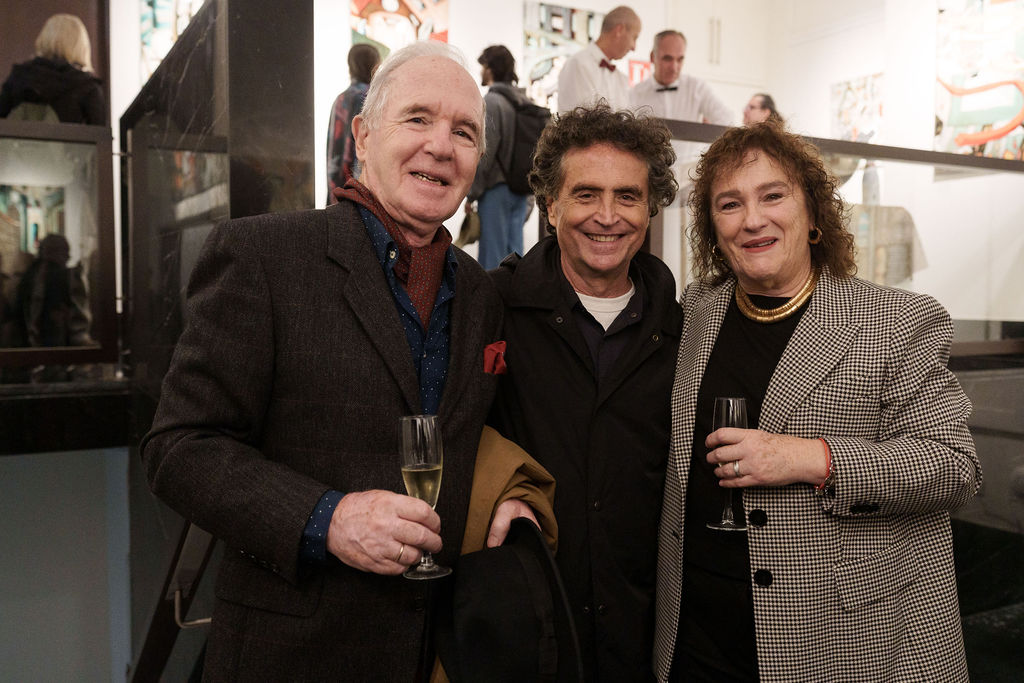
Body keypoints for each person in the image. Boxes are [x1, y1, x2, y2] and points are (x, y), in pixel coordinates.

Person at [141, 41, 536, 681]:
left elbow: (477, 438)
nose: (441, 145)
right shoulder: (263, 257)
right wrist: (328, 519)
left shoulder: (482, 294)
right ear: (363, 135)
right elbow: (179, 448)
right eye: (418, 118)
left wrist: (507, 497)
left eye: (464, 131)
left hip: (435, 656)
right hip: (291, 658)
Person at [653, 121, 981, 682]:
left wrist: (809, 458)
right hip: (697, 633)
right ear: (713, 229)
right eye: (729, 204)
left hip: (839, 639)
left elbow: (955, 468)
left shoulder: (897, 321)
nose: (752, 219)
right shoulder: (698, 310)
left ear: (812, 215)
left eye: (772, 196)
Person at [488, 104, 682, 682]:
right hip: (524, 631)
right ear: (551, 205)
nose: (607, 216)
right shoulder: (493, 308)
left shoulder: (683, 327)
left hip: (643, 637)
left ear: (650, 208)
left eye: (627, 196)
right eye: (586, 194)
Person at [464, 45, 530, 270]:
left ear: (490, 69)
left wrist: (472, 193)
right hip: (520, 190)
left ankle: (491, 296)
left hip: (496, 190)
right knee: (515, 257)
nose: (481, 71)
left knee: (492, 259)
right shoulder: (522, 100)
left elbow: (487, 153)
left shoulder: (492, 102)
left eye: (483, 66)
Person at [0, 14, 105, 125]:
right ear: (81, 46)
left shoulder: (19, 77)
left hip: (18, 137)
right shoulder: (87, 86)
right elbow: (98, 132)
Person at [557, 6, 641, 113]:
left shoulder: (620, 79)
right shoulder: (578, 64)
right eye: (634, 37)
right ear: (619, 30)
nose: (634, 47)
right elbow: (581, 119)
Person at [326, 42, 381, 201]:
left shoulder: (341, 98)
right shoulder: (371, 98)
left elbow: (332, 150)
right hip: (361, 194)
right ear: (374, 66)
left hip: (337, 190)